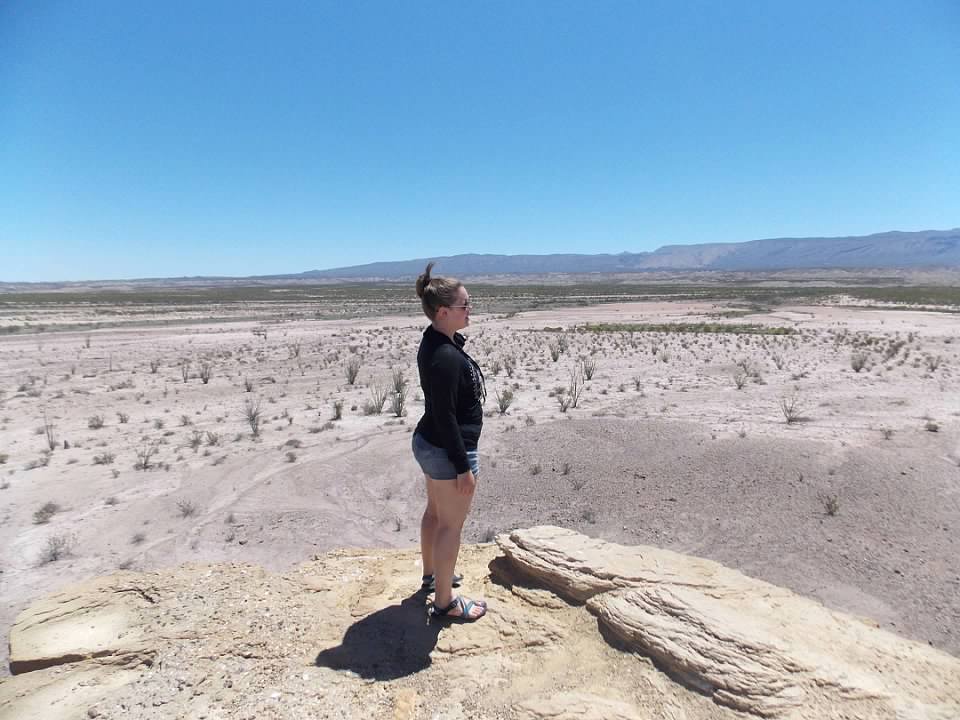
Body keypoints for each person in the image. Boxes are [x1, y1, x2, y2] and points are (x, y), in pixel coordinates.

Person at [412, 262, 488, 622]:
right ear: (443, 312)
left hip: (430, 443)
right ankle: (445, 602)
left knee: (435, 514)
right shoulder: (444, 357)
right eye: (464, 304)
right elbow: (446, 417)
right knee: (450, 526)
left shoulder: (435, 340)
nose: (470, 309)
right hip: (447, 449)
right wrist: (462, 466)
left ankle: (433, 576)